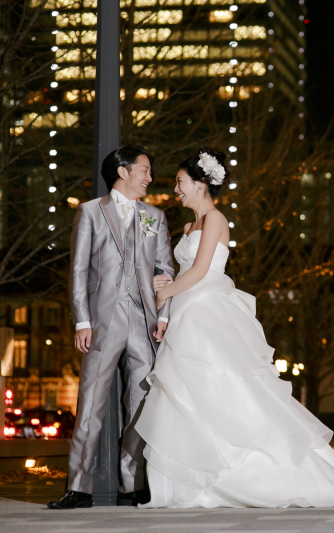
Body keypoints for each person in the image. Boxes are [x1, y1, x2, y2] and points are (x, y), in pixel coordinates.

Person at [136, 149, 334, 508]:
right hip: (187, 312)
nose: (175, 189)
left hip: (208, 311)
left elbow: (199, 271)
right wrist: (165, 312)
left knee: (226, 388)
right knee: (188, 395)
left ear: (200, 184)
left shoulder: (214, 220)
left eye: (180, 182)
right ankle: (193, 480)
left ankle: (239, 474)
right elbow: (183, 274)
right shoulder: (187, 227)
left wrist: (161, 294)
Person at [49, 146, 175, 510]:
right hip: (103, 320)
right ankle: (79, 487)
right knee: (90, 403)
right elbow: (78, 270)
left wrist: (162, 313)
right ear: (123, 172)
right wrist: (82, 320)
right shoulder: (90, 211)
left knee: (141, 402)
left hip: (144, 323)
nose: (150, 178)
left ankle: (132, 484)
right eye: (145, 170)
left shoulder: (155, 216)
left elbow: (165, 268)